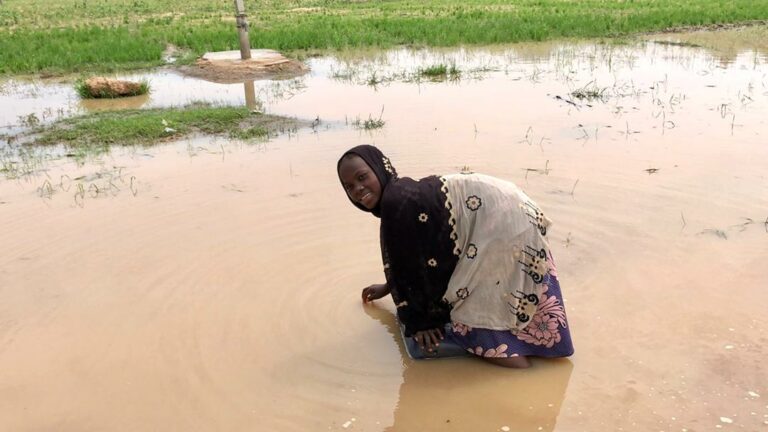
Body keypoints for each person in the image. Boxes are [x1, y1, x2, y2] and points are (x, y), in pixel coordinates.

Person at [337, 145, 574, 368]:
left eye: (362, 177)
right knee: (506, 296)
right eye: (349, 186)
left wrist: (421, 324)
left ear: (381, 169)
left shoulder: (394, 203)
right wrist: (390, 287)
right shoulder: (400, 194)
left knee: (475, 323)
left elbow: (413, 265)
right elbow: (414, 254)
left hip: (504, 224)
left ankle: (523, 373)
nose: (358, 189)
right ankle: (540, 349)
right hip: (514, 212)